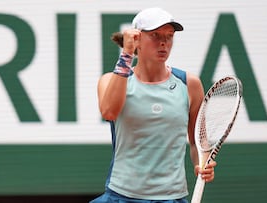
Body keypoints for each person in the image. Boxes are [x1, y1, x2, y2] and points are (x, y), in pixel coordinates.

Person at [91, 7, 216, 203]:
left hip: (171, 196)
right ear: (137, 39)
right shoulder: (111, 80)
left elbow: (197, 143)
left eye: (169, 36)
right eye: (155, 35)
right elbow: (109, 111)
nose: (164, 42)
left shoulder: (189, 84)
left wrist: (202, 164)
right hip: (122, 195)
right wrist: (126, 54)